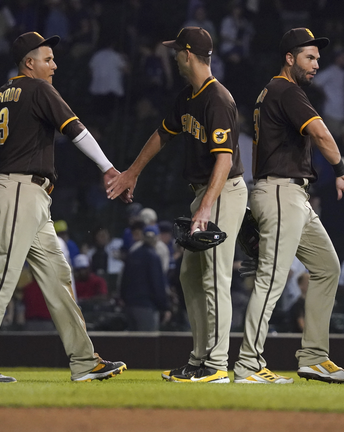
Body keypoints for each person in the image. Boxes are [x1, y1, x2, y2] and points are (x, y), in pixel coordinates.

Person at [0, 31, 128, 383]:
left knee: (58, 276)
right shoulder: (37, 89)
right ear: (29, 63)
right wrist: (108, 167)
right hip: (22, 189)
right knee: (2, 278)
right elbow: (74, 128)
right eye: (48, 59)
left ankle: (83, 362)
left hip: (17, 193)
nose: (54, 65)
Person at [106, 27, 247, 384]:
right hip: (204, 191)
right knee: (189, 277)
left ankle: (216, 365)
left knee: (215, 277)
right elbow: (163, 133)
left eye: (175, 51)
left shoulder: (218, 99)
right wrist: (132, 172)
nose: (171, 56)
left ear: (187, 54)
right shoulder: (188, 97)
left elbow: (225, 160)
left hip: (224, 190)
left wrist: (205, 208)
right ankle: (200, 358)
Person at [232, 28, 344, 385]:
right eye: (310, 56)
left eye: (318, 58)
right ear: (289, 58)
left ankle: (314, 357)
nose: (317, 63)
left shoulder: (272, 93)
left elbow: (265, 146)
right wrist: (340, 172)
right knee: (272, 280)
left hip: (290, 193)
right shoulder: (286, 90)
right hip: (280, 192)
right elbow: (320, 132)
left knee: (327, 267)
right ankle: (248, 365)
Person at [119, 225, 171, 331]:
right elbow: (157, 284)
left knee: (133, 343)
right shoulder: (153, 257)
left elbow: (123, 281)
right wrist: (164, 307)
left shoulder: (132, 254)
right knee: (148, 344)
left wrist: (124, 299)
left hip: (130, 305)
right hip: (146, 307)